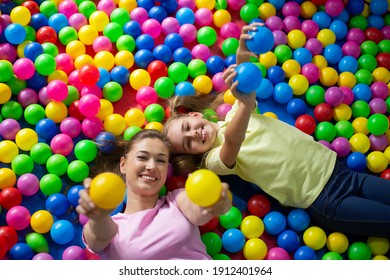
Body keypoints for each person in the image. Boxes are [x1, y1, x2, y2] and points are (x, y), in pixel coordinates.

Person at [162, 24, 390, 238]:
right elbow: (232, 141)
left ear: (195, 115)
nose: (193, 135)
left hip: (339, 171)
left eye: (187, 128)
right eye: (187, 143)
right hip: (324, 198)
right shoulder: (212, 161)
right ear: (192, 153)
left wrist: (243, 50)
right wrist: (245, 101)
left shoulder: (235, 113)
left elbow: (244, 77)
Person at [76, 129, 231, 260]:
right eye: (142, 157)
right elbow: (100, 236)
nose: (152, 166)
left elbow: (198, 212)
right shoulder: (111, 226)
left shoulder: (176, 201)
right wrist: (100, 216)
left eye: (161, 161)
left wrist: (210, 203)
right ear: (123, 164)